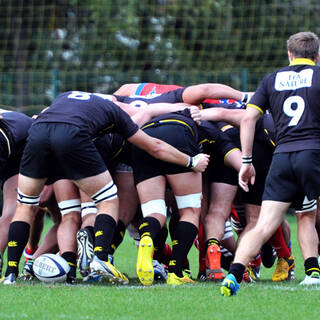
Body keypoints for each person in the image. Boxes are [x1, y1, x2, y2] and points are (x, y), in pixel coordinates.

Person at [0, 91, 209, 285]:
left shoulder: (65, 97)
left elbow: (43, 115)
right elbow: (154, 146)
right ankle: (101, 258)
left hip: (39, 133)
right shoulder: (114, 111)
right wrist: (190, 161)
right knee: (108, 201)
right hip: (74, 137)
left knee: (26, 207)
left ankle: (10, 273)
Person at [221, 31, 320, 296]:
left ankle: (234, 274)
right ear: (317, 55)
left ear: (290, 54)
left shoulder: (271, 80)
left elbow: (247, 119)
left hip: (282, 157)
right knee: (307, 215)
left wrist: (247, 160)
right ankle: (312, 272)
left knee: (263, 224)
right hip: (313, 153)